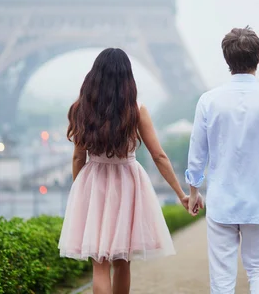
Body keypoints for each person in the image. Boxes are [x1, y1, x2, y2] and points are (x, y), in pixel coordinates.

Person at [58, 48, 200, 294]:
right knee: (122, 263)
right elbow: (159, 156)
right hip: (127, 184)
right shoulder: (135, 109)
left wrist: (78, 192)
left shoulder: (82, 108)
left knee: (99, 266)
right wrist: (181, 194)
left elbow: (78, 156)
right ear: (127, 78)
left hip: (94, 183)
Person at [185, 27, 259, 294]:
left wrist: (194, 190)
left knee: (222, 279)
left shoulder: (208, 101)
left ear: (227, 60)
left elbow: (197, 151)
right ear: (258, 57)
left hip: (221, 201)